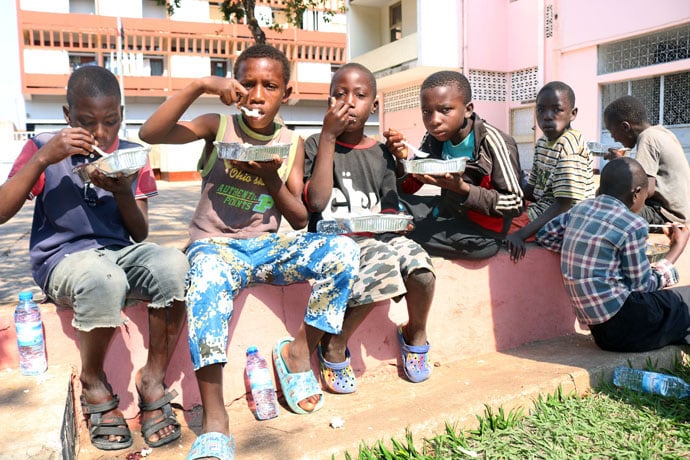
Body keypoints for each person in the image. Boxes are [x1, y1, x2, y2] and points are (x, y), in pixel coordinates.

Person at [139, 44, 359, 460]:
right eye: (249, 83)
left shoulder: (291, 143)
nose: (258, 94)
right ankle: (216, 418)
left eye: (270, 86)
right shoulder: (217, 127)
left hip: (268, 247)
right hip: (214, 248)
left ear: (286, 93)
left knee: (343, 252)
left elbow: (297, 217)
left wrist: (271, 179)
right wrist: (202, 84)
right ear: (235, 86)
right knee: (201, 279)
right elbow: (150, 134)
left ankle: (298, 352)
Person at [0, 66, 188, 451]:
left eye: (111, 122)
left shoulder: (132, 154)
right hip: (63, 260)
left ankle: (152, 378)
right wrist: (43, 160)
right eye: (87, 123)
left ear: (121, 112)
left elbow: (140, 234)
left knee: (173, 265)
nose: (101, 134)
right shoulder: (43, 148)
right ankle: (94, 381)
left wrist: (122, 191)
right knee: (104, 279)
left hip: (119, 253)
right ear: (68, 116)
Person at [303, 63, 436, 391]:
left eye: (360, 95)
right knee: (381, 260)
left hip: (377, 237)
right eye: (340, 94)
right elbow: (316, 203)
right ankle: (334, 343)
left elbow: (391, 208)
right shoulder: (314, 144)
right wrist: (328, 137)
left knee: (420, 269)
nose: (349, 102)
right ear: (329, 103)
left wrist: (401, 161)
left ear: (374, 105)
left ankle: (414, 331)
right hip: (332, 240)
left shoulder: (381, 152)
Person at [536, 157, 690, 352]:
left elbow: (545, 235)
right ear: (636, 194)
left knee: (672, 308)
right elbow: (643, 285)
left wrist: (588, 247)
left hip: (600, 332)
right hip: (626, 327)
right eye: (645, 195)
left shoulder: (580, 210)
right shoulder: (632, 225)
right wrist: (676, 249)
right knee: (680, 300)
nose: (644, 201)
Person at [384, 70, 524, 260]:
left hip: (480, 231)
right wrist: (401, 161)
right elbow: (409, 187)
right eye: (427, 112)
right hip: (448, 211)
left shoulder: (493, 142)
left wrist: (463, 189)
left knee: (404, 230)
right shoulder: (434, 138)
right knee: (390, 202)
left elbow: (515, 203)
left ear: (467, 109)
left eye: (445, 110)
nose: (434, 121)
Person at [505, 81, 594, 262]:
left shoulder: (570, 145)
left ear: (573, 114)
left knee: (499, 229)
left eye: (556, 110)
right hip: (543, 210)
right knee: (493, 216)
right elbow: (531, 190)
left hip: (568, 220)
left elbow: (564, 204)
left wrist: (521, 234)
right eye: (541, 110)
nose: (547, 117)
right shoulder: (543, 143)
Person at [603, 95, 690, 225]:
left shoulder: (647, 138)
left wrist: (618, 163)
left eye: (612, 132)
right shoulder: (662, 133)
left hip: (666, 215)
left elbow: (644, 190)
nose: (613, 138)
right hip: (677, 212)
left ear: (625, 127)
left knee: (607, 208)